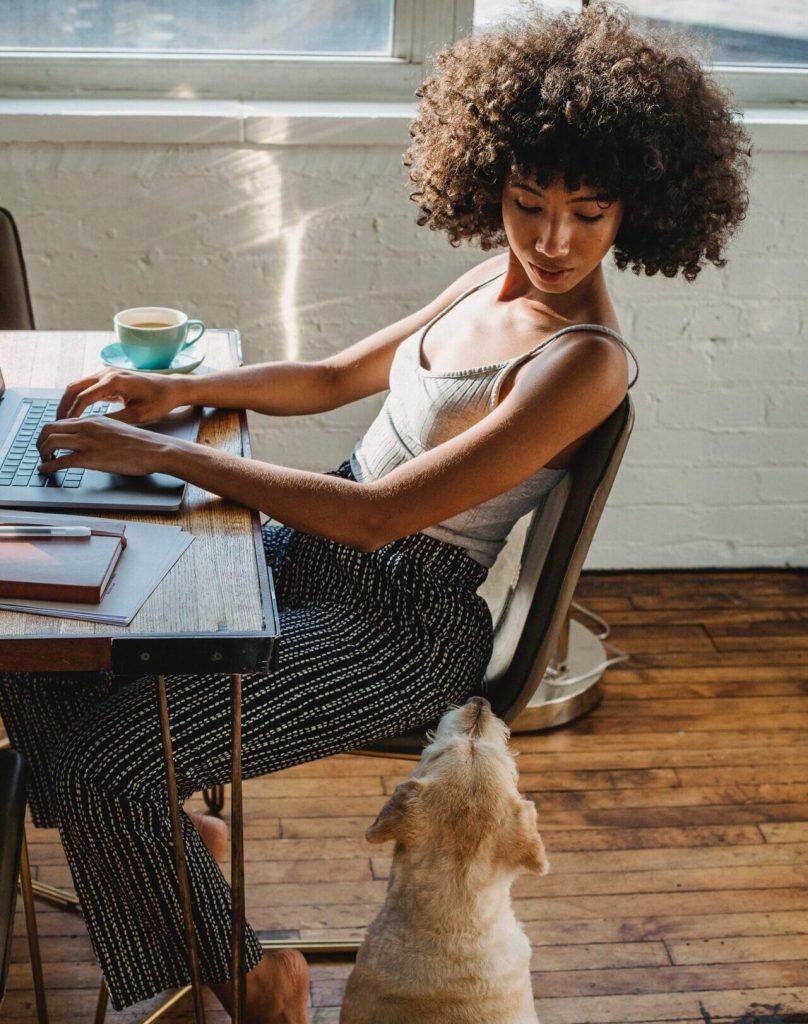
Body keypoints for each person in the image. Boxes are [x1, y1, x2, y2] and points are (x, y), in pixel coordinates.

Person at [0, 4, 749, 1021]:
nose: (553, 239)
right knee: (42, 640)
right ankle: (182, 848)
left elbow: (380, 515)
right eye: (528, 203)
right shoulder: (497, 270)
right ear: (492, 182)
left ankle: (258, 977)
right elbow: (330, 374)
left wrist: (158, 454)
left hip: (399, 624)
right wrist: (179, 395)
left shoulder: (583, 363)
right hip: (310, 558)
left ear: (638, 211)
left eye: (588, 212)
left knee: (98, 763)